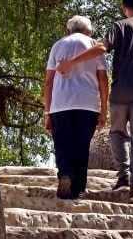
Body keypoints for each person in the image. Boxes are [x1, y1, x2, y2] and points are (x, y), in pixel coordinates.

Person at [57, 0, 133, 205]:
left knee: (117, 134)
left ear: (123, 8)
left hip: (120, 94)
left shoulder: (119, 26)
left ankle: (123, 179)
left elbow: (101, 47)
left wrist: (71, 62)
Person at [44, 15, 108, 200]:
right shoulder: (95, 45)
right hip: (88, 103)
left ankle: (65, 174)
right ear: (89, 32)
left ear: (68, 31)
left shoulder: (58, 45)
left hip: (61, 103)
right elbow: (103, 79)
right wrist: (104, 110)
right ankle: (78, 189)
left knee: (63, 143)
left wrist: (48, 112)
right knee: (82, 146)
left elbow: (48, 82)